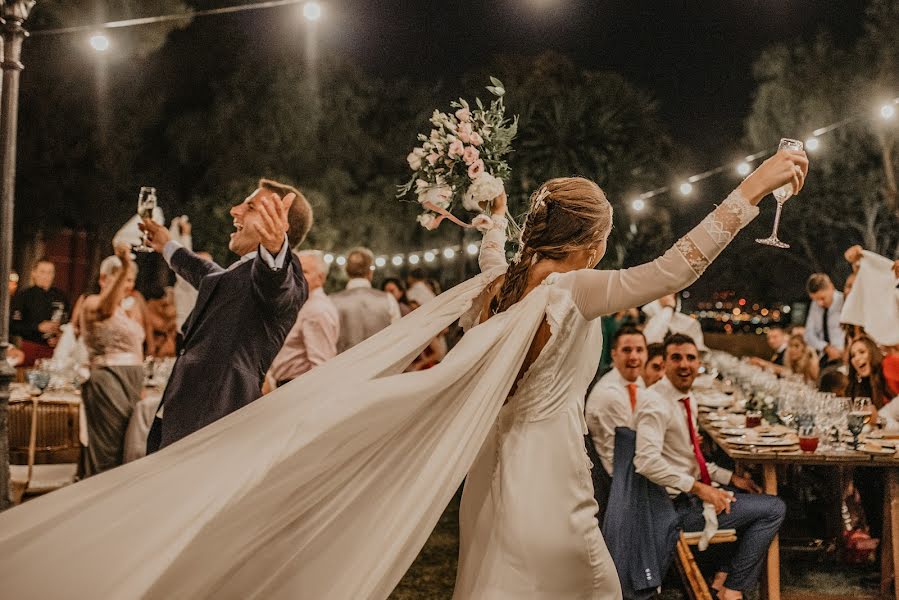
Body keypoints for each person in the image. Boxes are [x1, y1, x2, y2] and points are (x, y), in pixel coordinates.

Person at [0, 148, 808, 598]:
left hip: (492, 478)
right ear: (591, 243)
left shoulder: (506, 285)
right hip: (549, 486)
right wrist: (757, 184)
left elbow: (498, 251)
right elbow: (675, 266)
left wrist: (494, 213)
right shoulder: (574, 287)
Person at [140, 178, 311, 451]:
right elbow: (207, 273)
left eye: (250, 206)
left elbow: (277, 287)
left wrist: (276, 249)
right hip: (182, 417)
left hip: (212, 423)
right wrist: (167, 245)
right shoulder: (239, 272)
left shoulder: (283, 275)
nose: (235, 210)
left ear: (279, 221)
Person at [635, 333, 785, 600]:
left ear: (698, 363)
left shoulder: (686, 398)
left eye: (690, 358)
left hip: (686, 496)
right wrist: (701, 489)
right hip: (672, 509)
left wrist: (731, 478)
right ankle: (733, 590)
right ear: (665, 363)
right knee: (774, 508)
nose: (684, 365)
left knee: (750, 492)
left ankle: (722, 578)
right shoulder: (655, 402)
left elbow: (689, 459)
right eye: (676, 358)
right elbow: (646, 461)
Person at [79, 245, 145, 476]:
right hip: (108, 380)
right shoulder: (92, 303)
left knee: (127, 446)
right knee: (109, 448)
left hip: (131, 382)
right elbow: (104, 310)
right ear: (103, 279)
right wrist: (124, 264)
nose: (126, 285)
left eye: (130, 280)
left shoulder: (126, 310)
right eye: (122, 279)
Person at [586, 325, 655, 475]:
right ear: (614, 354)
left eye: (639, 350)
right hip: (616, 479)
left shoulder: (636, 382)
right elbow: (619, 458)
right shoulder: (609, 394)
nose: (634, 357)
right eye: (626, 350)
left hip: (634, 463)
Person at [265, 251, 339, 390]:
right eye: (294, 270)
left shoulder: (317, 310)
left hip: (299, 388)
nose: (296, 276)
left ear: (320, 278)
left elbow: (322, 366)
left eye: (304, 271)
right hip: (287, 386)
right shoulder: (303, 304)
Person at [330, 247, 401, 353]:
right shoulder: (388, 300)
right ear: (370, 272)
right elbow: (397, 338)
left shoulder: (331, 301)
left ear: (346, 271)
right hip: (382, 365)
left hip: (344, 367)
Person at [10, 258, 70, 366]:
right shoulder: (24, 296)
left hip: (56, 350)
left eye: (49, 272)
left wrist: (60, 336)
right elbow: (13, 326)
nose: (46, 276)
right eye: (42, 272)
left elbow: (68, 322)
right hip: (31, 348)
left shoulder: (61, 296)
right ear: (34, 273)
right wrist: (37, 327)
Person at [804, 273, 845, 368]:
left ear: (831, 287)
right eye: (815, 299)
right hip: (825, 357)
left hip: (844, 356)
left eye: (822, 298)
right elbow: (809, 334)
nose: (819, 303)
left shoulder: (844, 301)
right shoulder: (815, 305)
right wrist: (826, 347)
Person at [847, 335, 895, 409]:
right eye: (853, 356)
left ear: (873, 352)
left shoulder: (888, 375)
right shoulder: (858, 385)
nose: (857, 358)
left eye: (862, 352)